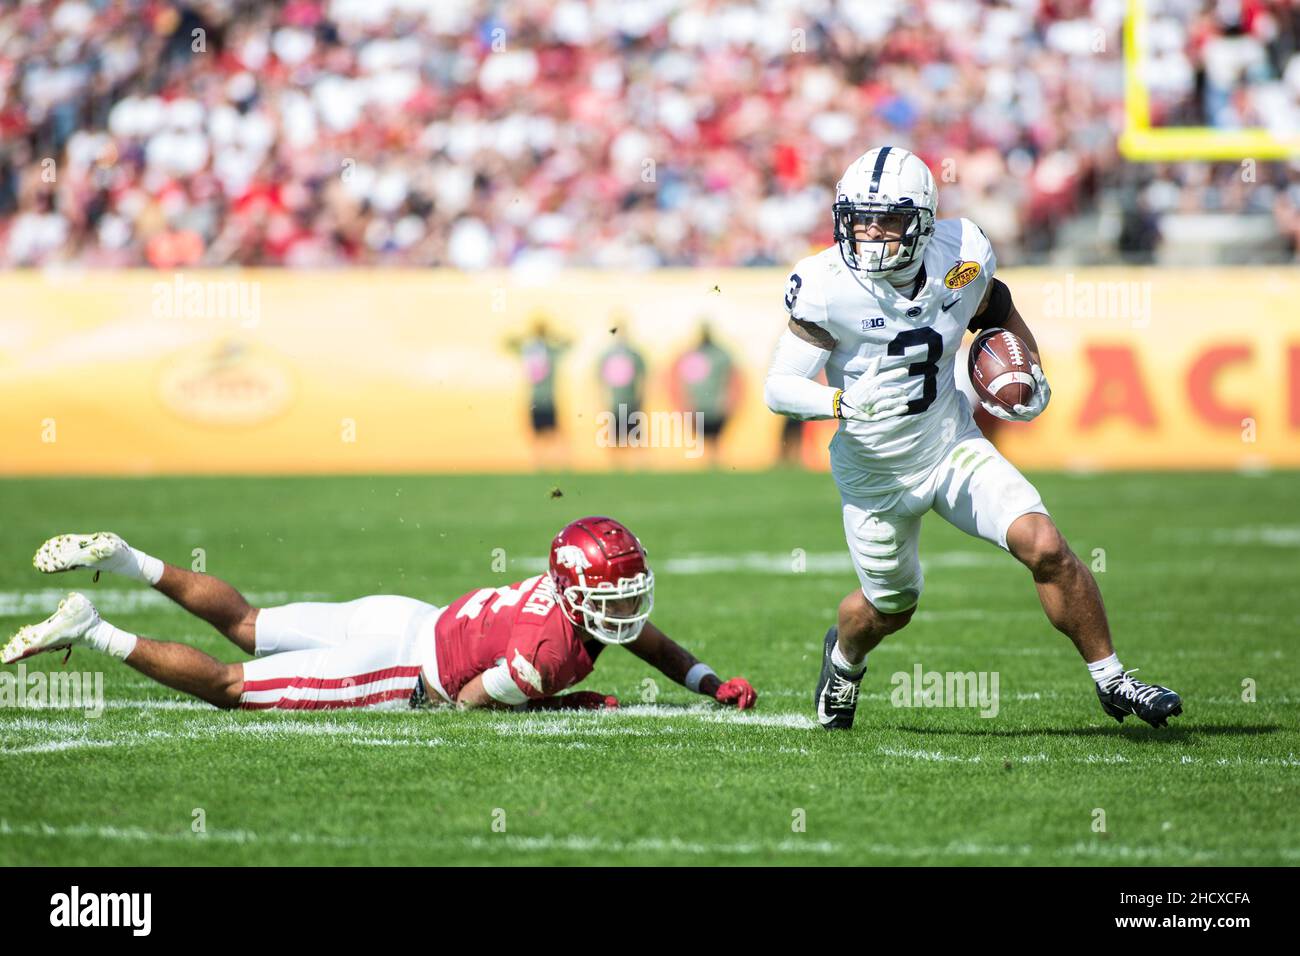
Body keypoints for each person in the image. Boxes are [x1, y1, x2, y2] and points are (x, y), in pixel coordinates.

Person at [763, 145, 1182, 731]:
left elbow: (996, 308)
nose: (870, 234)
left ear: (924, 221)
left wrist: (1028, 371)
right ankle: (844, 660)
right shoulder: (826, 283)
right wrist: (840, 401)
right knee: (889, 608)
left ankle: (1113, 679)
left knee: (1045, 546)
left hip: (950, 442)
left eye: (887, 220)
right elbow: (780, 387)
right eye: (859, 218)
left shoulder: (961, 253)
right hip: (874, 471)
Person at [4, 519, 757, 713]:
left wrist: (705, 679)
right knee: (233, 684)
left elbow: (643, 639)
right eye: (615, 595)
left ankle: (133, 559)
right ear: (579, 592)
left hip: (400, 616)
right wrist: (569, 701)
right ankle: (93, 628)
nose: (626, 607)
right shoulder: (550, 651)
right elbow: (466, 703)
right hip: (399, 667)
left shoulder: (565, 597)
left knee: (249, 624)